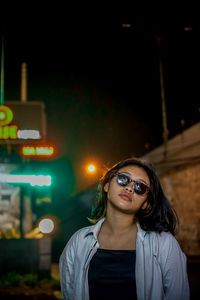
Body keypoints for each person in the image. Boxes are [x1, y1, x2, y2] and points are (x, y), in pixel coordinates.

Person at [59, 157, 190, 300]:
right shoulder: (78, 242)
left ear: (146, 203)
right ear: (107, 185)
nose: (129, 188)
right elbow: (69, 293)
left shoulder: (164, 244)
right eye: (123, 179)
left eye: (140, 187)